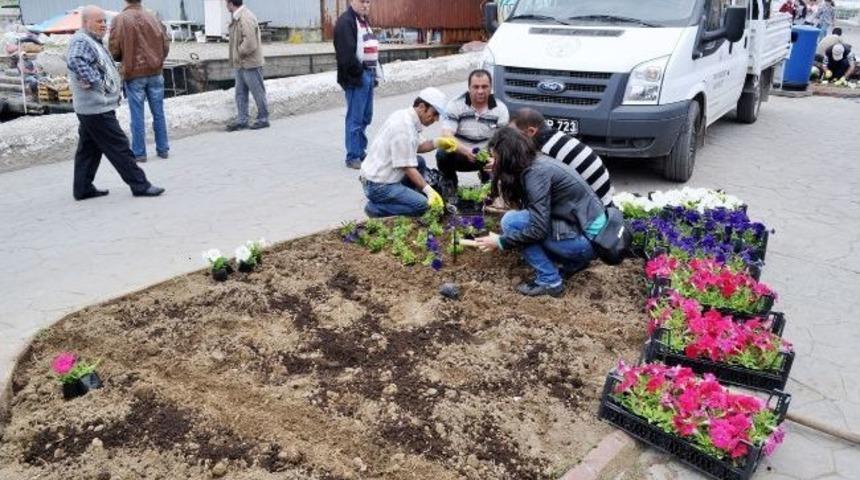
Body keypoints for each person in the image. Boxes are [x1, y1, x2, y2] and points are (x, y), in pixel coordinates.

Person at [474, 128, 607, 298]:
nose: (496, 161)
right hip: (592, 236)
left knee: (511, 222)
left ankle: (550, 281)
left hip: (586, 242)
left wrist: (501, 241)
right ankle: (572, 263)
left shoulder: (535, 174)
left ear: (508, 156)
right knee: (520, 220)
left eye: (498, 157)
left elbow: (537, 229)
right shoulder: (537, 162)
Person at [66, 5, 165, 200]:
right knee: (119, 146)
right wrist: (97, 82)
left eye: (104, 21)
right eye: (99, 21)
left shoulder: (91, 40)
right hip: (95, 108)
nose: (103, 24)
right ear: (86, 23)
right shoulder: (81, 40)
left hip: (91, 107)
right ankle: (140, 185)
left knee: (89, 149)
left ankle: (83, 188)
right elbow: (75, 60)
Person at [359, 87, 454, 218]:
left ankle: (405, 197)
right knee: (423, 206)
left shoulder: (406, 116)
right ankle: (376, 208)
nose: (436, 119)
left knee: (419, 162)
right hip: (379, 186)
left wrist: (437, 142)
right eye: (435, 113)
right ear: (422, 107)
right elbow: (407, 167)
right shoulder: (403, 128)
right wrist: (429, 191)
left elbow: (418, 146)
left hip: (378, 176)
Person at [509, 108, 615, 208]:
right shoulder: (556, 137)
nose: (511, 139)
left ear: (531, 132)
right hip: (602, 201)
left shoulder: (546, 152)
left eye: (514, 135)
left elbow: (538, 195)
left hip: (593, 210)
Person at [109, 0, 170, 162]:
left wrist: (124, 58)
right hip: (155, 70)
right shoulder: (153, 16)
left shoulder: (120, 19)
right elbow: (165, 42)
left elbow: (114, 50)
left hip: (134, 73)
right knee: (159, 113)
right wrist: (158, 59)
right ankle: (163, 149)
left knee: (137, 115)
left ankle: (139, 153)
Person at [437, 69, 509, 189]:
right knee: (443, 151)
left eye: (484, 87)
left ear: (491, 88)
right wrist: (466, 151)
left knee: (504, 158)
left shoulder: (501, 109)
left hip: (486, 156)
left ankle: (488, 185)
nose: (480, 91)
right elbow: (446, 135)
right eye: (475, 87)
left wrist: (496, 159)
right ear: (469, 87)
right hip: (460, 153)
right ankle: (450, 186)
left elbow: (504, 142)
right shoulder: (455, 105)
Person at [335, 0, 381, 170]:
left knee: (365, 116)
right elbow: (346, 55)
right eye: (362, 1)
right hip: (357, 77)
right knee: (355, 118)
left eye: (368, 1)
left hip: (368, 74)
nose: (366, 5)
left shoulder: (363, 20)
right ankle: (353, 155)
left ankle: (360, 151)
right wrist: (361, 74)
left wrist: (373, 74)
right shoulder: (345, 22)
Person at [225, 0, 269, 131]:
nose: (226, 6)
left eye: (226, 3)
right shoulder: (238, 17)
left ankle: (263, 118)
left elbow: (250, 43)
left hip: (250, 63)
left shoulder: (246, 17)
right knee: (240, 93)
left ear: (231, 3)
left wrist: (238, 53)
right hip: (241, 63)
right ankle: (242, 120)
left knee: (257, 91)